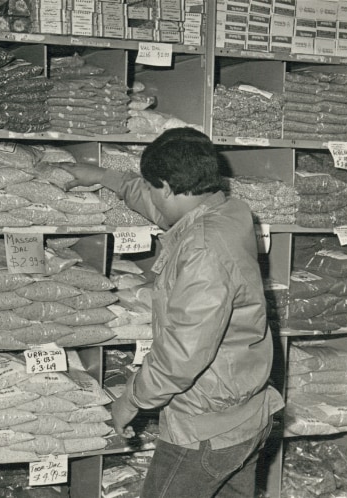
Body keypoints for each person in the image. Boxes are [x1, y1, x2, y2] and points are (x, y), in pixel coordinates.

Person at [60, 127, 284, 498]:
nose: (153, 197)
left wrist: (129, 401)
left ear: (165, 186)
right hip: (246, 417)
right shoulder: (228, 211)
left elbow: (182, 354)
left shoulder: (203, 251)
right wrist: (105, 178)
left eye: (153, 188)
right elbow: (166, 211)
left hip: (204, 433)